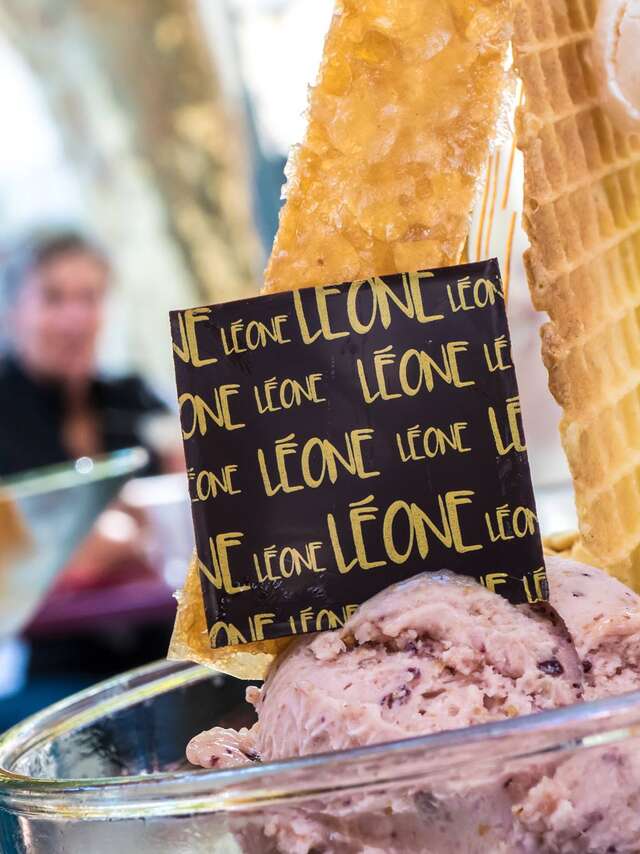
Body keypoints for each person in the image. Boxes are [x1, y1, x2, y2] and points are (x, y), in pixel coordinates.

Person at [0, 229, 169, 476]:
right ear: (11, 313)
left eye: (89, 298)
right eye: (53, 298)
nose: (75, 321)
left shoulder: (134, 401)